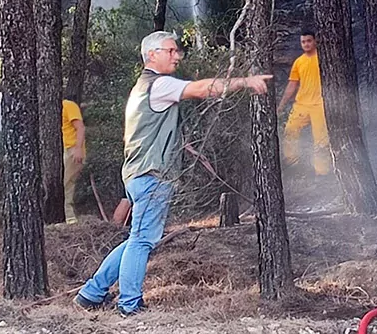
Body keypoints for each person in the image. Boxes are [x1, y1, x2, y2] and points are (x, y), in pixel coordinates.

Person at [75, 31, 271, 317]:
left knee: (137, 239)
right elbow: (202, 89)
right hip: (152, 176)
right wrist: (244, 82)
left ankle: (91, 294)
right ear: (152, 54)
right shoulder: (159, 84)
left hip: (138, 174)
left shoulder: (142, 87)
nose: (177, 55)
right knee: (142, 241)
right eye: (171, 50)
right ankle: (129, 305)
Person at [277, 29, 330, 177]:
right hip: (301, 104)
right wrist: (282, 104)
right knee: (290, 130)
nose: (306, 44)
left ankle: (322, 172)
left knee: (321, 138)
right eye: (303, 42)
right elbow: (292, 85)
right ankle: (293, 164)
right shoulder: (299, 62)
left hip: (319, 104)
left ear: (315, 41)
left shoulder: (323, 58)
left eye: (309, 41)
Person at [62, 99, 86, 224]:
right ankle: (67, 219)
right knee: (65, 185)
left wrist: (78, 149)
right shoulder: (52, 110)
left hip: (71, 149)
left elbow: (80, 127)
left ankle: (69, 219)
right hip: (62, 149)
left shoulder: (68, 105)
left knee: (64, 185)